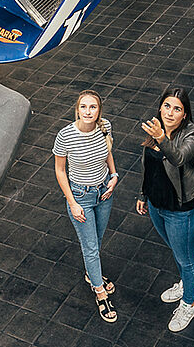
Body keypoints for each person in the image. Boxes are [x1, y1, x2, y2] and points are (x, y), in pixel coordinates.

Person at [136, 87, 194, 333]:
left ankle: (189, 301)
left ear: (185, 114)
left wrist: (162, 138)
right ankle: (189, 284)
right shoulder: (156, 129)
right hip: (156, 204)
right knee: (177, 251)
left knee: (186, 259)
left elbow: (179, 159)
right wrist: (143, 195)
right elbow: (148, 165)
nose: (170, 113)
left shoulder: (192, 135)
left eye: (177, 109)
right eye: (167, 106)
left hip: (179, 209)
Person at [53, 90, 119, 322]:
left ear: (99, 110)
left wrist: (114, 175)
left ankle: (93, 276)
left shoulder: (105, 127)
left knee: (98, 240)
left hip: (104, 192)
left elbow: (108, 152)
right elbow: (60, 170)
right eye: (84, 107)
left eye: (93, 107)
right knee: (90, 247)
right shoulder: (65, 136)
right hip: (81, 195)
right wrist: (72, 203)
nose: (88, 111)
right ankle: (99, 292)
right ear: (77, 109)